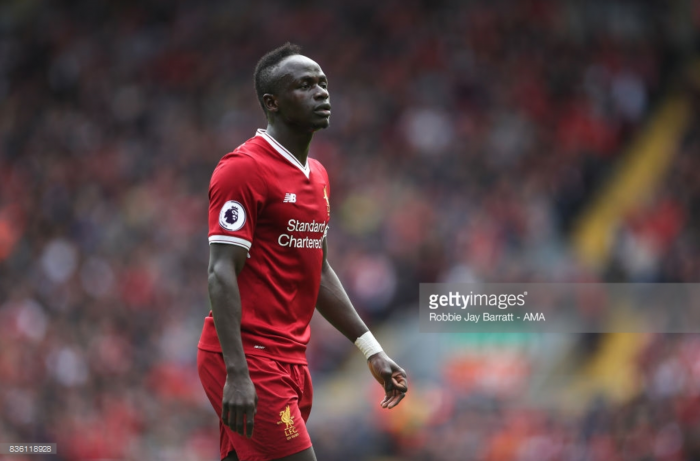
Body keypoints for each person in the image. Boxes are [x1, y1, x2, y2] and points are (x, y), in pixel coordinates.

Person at [197, 42, 408, 461]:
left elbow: (319, 269)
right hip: (249, 357)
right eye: (305, 85)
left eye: (323, 83)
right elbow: (220, 271)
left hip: (291, 359)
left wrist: (371, 350)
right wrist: (238, 372)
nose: (322, 92)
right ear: (272, 103)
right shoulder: (243, 169)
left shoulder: (318, 176)